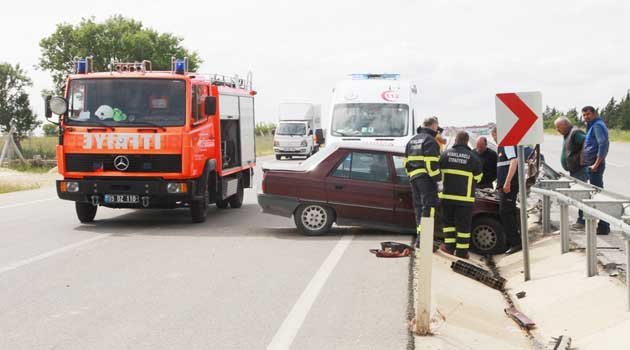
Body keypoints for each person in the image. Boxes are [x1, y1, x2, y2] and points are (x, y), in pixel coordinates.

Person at [438, 131, 483, 259]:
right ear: (467, 141)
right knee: (463, 227)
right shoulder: (473, 158)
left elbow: (437, 174)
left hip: (447, 198)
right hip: (465, 200)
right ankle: (462, 253)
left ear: (456, 140)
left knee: (449, 225)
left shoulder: (445, 155)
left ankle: (449, 248)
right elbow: (479, 178)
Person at [405, 117, 442, 244]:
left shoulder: (412, 140)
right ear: (433, 125)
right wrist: (438, 179)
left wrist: (411, 176)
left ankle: (420, 239)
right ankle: (425, 241)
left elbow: (406, 162)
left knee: (419, 208)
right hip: (426, 179)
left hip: (414, 179)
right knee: (429, 207)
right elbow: (431, 164)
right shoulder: (430, 140)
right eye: (437, 126)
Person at [581, 106, 611, 235]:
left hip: (595, 166)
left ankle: (604, 225)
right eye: (584, 115)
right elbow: (590, 144)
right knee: (595, 193)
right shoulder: (591, 125)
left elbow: (603, 144)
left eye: (588, 114)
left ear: (594, 114)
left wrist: (596, 164)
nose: (586, 117)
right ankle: (602, 224)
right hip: (590, 164)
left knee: (598, 194)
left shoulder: (598, 125)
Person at [491, 127, 521, 255]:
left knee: (506, 213)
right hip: (504, 185)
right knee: (507, 212)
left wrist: (507, 182)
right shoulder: (501, 146)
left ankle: (515, 243)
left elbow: (514, 161)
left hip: (509, 185)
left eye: (494, 136)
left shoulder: (507, 143)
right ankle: (513, 240)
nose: (494, 139)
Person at [554, 116, 588, 227]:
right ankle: (582, 219)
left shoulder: (575, 133)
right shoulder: (567, 134)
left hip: (580, 169)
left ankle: (582, 220)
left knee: (581, 194)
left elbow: (587, 142)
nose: (557, 130)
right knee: (578, 194)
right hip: (574, 169)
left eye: (558, 127)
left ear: (565, 125)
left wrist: (582, 158)